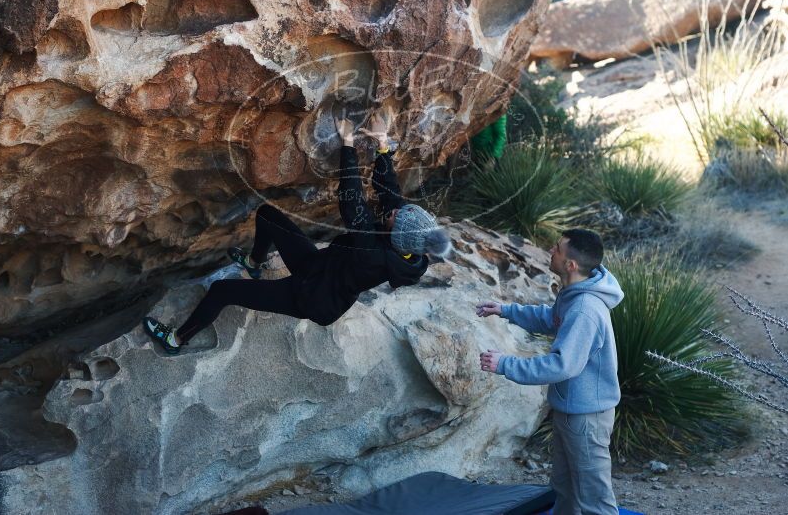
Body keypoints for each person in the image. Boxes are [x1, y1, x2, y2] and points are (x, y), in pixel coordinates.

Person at [142, 110, 451, 354]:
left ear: (397, 237)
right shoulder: (407, 240)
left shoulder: (374, 254)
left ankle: (176, 340)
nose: (395, 212)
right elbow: (390, 193)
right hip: (319, 267)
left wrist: (347, 144)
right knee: (268, 216)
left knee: (222, 291)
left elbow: (352, 201)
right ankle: (254, 263)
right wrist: (382, 143)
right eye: (402, 212)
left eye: (397, 217)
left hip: (311, 298)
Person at [476, 229, 623, 515]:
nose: (550, 251)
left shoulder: (585, 309)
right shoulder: (575, 293)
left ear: (571, 264)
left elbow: (561, 365)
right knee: (564, 487)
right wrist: (506, 310)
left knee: (594, 499)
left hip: (587, 418)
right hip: (571, 409)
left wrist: (505, 364)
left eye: (557, 248)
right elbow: (552, 319)